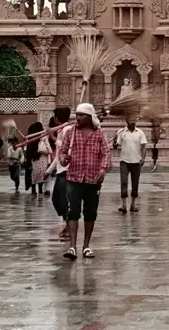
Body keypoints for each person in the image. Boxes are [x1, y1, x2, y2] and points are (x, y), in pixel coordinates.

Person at [59, 103, 110, 261]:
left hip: (93, 179)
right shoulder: (71, 133)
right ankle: (72, 247)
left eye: (81, 115)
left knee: (90, 213)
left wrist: (102, 170)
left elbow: (105, 153)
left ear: (89, 117)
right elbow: (62, 153)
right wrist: (64, 158)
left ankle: (86, 245)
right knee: (73, 211)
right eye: (77, 115)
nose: (78, 118)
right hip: (74, 177)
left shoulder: (100, 134)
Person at [45, 107, 72, 240]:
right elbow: (58, 155)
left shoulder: (67, 130)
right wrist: (49, 171)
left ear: (57, 118)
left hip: (67, 169)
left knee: (61, 199)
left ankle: (69, 227)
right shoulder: (61, 129)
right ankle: (68, 224)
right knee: (57, 198)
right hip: (61, 169)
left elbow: (67, 148)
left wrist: (52, 137)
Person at [114, 119, 147, 213]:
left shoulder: (140, 133)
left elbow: (144, 146)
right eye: (131, 120)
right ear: (127, 121)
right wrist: (115, 141)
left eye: (134, 120)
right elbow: (116, 145)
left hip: (136, 161)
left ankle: (133, 204)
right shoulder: (121, 132)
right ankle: (124, 205)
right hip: (124, 160)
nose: (133, 122)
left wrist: (143, 158)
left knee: (135, 183)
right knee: (123, 182)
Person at [26, 122, 50, 196]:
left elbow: (28, 148)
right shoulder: (43, 136)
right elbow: (48, 147)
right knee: (41, 174)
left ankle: (33, 189)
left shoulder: (31, 136)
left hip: (34, 158)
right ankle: (40, 189)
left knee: (34, 173)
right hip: (42, 157)